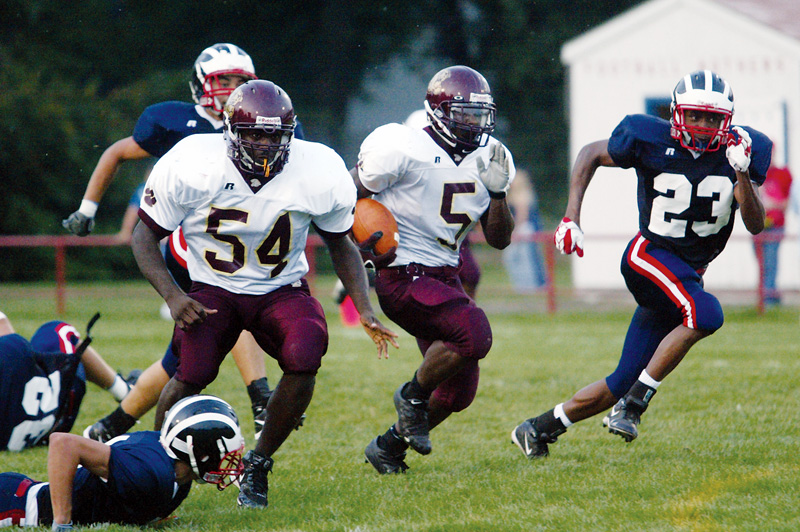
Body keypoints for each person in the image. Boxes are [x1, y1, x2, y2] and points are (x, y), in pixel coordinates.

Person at [132, 79, 398, 508]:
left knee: (307, 350)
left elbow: (341, 243)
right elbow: (143, 237)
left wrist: (364, 307)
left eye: (273, 135)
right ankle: (156, 466)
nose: (262, 144)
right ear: (230, 133)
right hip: (213, 289)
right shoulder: (193, 161)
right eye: (253, 133)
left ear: (289, 135)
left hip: (281, 289)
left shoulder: (318, 167)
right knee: (191, 374)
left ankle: (257, 465)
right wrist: (173, 296)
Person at [511, 70, 769, 458]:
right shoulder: (647, 136)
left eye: (713, 118)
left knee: (621, 379)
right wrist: (571, 216)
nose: (703, 126)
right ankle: (634, 405)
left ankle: (538, 428)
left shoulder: (746, 149)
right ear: (677, 113)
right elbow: (591, 153)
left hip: (685, 276)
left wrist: (742, 173)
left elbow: (755, 224)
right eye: (695, 116)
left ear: (728, 120)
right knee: (706, 313)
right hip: (648, 255)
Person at [63, 43, 278, 441]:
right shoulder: (176, 122)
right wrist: (87, 209)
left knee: (180, 357)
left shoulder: (263, 126)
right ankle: (261, 398)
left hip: (235, 239)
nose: (231, 90)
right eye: (223, 81)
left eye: (239, 83)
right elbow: (115, 153)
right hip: (188, 240)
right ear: (200, 85)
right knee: (236, 308)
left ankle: (110, 426)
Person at [356, 65, 515, 474]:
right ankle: (410, 395)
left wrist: (498, 194)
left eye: (480, 115)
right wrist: (360, 240)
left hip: (446, 274)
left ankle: (388, 447)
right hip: (402, 272)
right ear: (439, 111)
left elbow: (499, 238)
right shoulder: (403, 146)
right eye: (464, 113)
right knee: (475, 333)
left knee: (458, 393)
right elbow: (347, 194)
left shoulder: (492, 158)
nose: (473, 123)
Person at [0, 394, 244, 529]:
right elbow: (63, 443)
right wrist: (62, 523)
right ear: (196, 451)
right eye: (222, 454)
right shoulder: (149, 472)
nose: (227, 463)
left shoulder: (177, 474)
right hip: (18, 507)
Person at [0, 311, 135, 452]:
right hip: (51, 417)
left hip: (13, 427)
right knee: (59, 331)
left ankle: (125, 390)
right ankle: (124, 391)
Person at [752, 161, 792, 306]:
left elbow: (786, 203)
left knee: (770, 262)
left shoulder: (782, 175)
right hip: (759, 226)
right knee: (762, 262)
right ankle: (768, 295)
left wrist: (771, 204)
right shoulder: (754, 173)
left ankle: (768, 298)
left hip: (774, 225)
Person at [502, 168, 547, 292]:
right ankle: (527, 285)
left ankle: (530, 285)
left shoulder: (522, 195)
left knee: (524, 258)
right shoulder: (516, 195)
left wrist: (513, 231)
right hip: (525, 228)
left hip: (524, 229)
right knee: (524, 257)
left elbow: (522, 216)